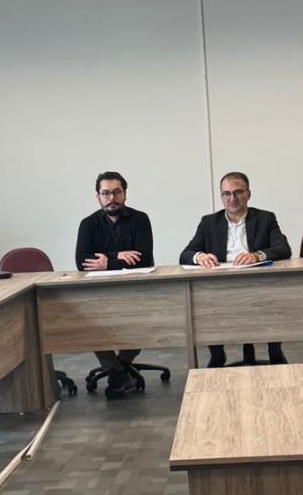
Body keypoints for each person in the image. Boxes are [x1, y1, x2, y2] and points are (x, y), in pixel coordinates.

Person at [180, 172, 291, 367]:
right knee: (205, 302)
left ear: (248, 194)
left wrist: (257, 256)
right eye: (226, 194)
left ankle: (274, 351)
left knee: (272, 301)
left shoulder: (265, 218)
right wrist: (200, 256)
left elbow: (283, 248)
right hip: (221, 287)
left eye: (238, 192)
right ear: (221, 197)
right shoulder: (209, 222)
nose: (232, 198)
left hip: (259, 284)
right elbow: (185, 254)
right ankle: (217, 354)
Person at [75, 171, 155, 400]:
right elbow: (82, 261)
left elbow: (143, 258)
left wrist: (107, 261)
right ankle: (116, 371)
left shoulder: (140, 219)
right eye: (106, 193)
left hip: (136, 289)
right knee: (89, 322)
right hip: (100, 292)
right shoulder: (88, 224)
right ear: (98, 197)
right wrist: (119, 256)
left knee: (144, 320)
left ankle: (120, 366)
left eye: (117, 192)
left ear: (125, 194)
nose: (111, 198)